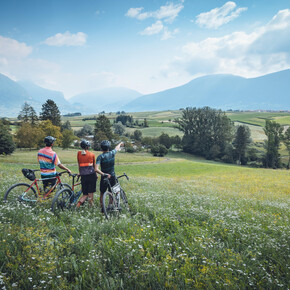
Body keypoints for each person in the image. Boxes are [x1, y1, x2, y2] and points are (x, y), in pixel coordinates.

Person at [95, 140, 124, 211]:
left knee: (102, 193)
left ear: (101, 148)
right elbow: (117, 148)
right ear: (109, 148)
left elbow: (96, 169)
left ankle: (102, 208)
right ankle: (110, 206)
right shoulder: (112, 153)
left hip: (104, 177)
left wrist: (104, 174)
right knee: (111, 191)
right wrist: (120, 143)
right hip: (112, 176)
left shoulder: (100, 157)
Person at [76, 139, 98, 208]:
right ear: (88, 147)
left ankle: (77, 206)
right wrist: (96, 175)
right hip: (91, 175)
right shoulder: (92, 154)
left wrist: (80, 172)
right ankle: (90, 207)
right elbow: (94, 166)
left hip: (83, 175)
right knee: (90, 193)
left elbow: (79, 164)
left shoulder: (79, 153)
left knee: (85, 193)